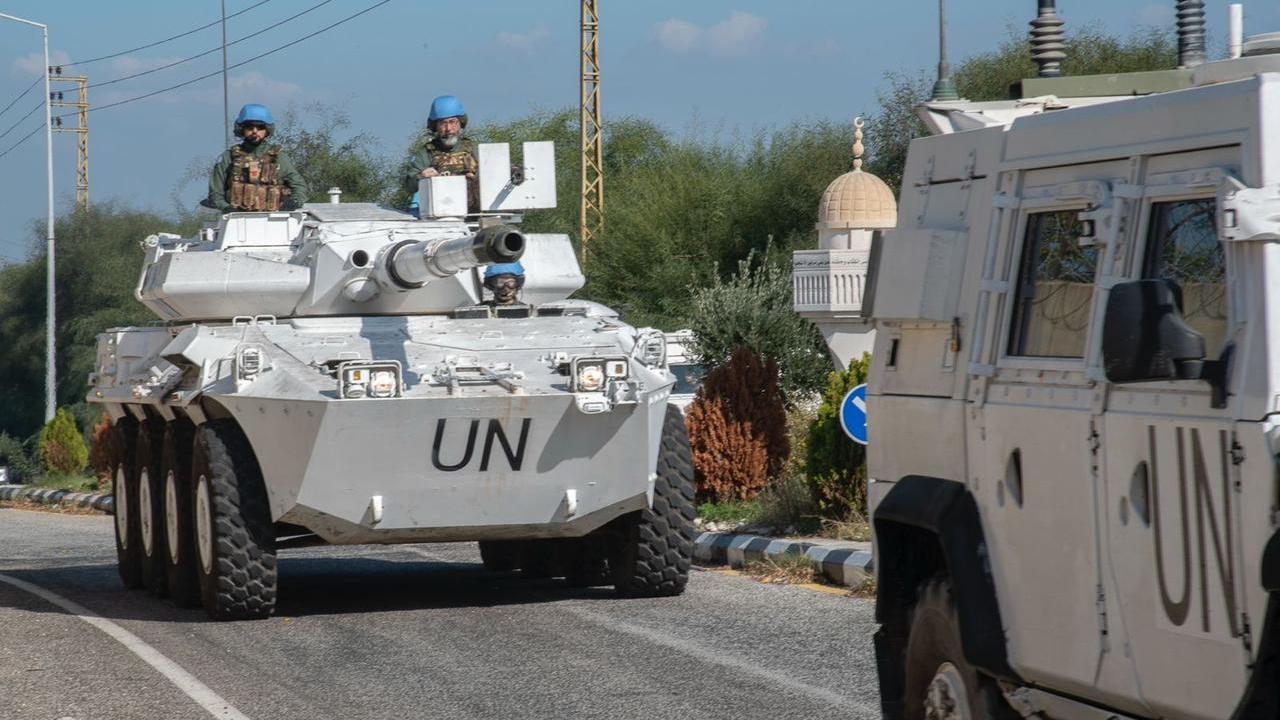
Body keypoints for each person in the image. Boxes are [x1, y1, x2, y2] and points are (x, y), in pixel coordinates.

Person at [207, 103, 309, 212]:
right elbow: (215, 194)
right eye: (250, 127)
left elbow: (299, 186)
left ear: (267, 130)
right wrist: (226, 208)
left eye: (260, 127)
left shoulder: (279, 157)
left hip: (274, 219)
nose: (255, 131)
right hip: (236, 220)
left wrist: (293, 203)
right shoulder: (229, 157)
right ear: (241, 128)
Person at [402, 95, 479, 211]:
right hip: (439, 213)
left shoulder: (473, 149)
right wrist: (421, 177)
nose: (448, 128)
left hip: (475, 213)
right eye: (443, 123)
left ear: (460, 124)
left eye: (453, 122)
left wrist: (473, 178)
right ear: (435, 126)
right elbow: (409, 186)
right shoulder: (426, 152)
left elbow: (495, 172)